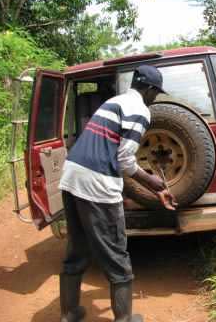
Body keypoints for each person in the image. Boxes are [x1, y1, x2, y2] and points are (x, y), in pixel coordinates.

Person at [58, 65, 177, 322]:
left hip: (71, 174)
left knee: (76, 248)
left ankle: (69, 313)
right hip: (97, 183)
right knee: (117, 256)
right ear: (148, 89)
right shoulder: (140, 110)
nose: (155, 98)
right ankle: (125, 319)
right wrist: (154, 184)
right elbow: (124, 159)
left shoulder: (115, 101)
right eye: (155, 93)